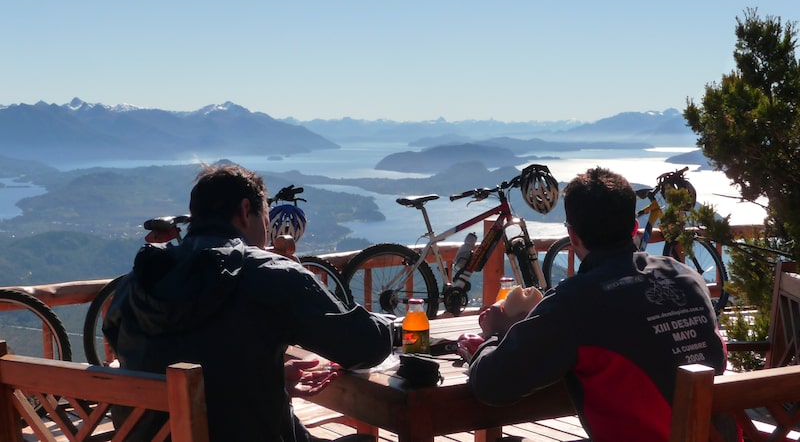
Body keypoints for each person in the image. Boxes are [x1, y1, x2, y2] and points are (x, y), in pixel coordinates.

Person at [103, 163, 393, 441]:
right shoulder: (270, 274)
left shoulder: (137, 283)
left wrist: (266, 376)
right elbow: (365, 347)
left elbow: (155, 353)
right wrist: (391, 327)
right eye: (266, 219)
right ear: (245, 211)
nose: (267, 232)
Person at [465, 167, 730, 442]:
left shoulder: (576, 301)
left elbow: (491, 386)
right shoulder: (686, 276)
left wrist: (495, 333)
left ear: (573, 236)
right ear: (634, 228)